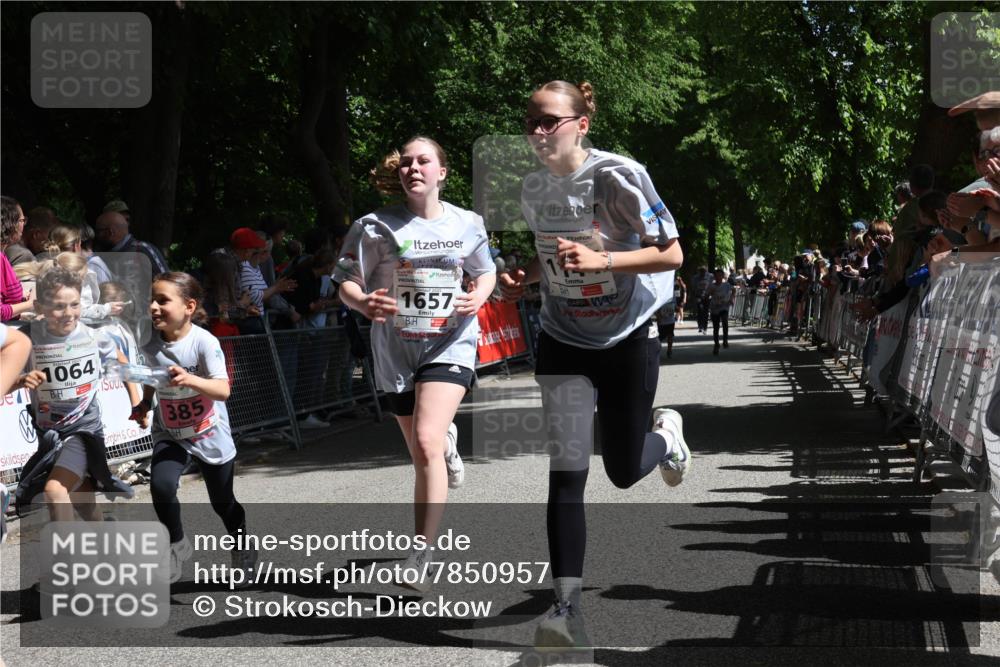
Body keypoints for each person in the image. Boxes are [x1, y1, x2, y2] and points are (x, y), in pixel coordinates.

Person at [497, 80, 689, 649]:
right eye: (531, 122)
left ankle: (667, 436)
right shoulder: (533, 189)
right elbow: (552, 256)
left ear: (581, 125)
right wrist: (525, 278)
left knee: (624, 471)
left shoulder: (618, 175)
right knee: (567, 474)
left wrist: (604, 259)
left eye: (549, 121)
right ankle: (565, 609)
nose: (537, 131)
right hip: (564, 338)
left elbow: (672, 252)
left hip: (627, 336)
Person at [334, 136, 496, 589]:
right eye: (406, 162)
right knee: (422, 449)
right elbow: (345, 281)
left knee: (424, 441)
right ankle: (446, 442)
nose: (413, 168)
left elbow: (485, 270)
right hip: (396, 349)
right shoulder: (373, 226)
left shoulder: (468, 223)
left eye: (423, 161)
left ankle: (421, 554)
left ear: (441, 172)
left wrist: (478, 297)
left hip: (450, 342)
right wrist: (363, 302)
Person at [131, 272, 256, 584]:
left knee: (222, 502)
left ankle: (243, 546)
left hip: (208, 431)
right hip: (171, 431)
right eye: (152, 301)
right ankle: (176, 544)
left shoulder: (204, 342)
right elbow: (152, 378)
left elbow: (222, 390)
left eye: (162, 301)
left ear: (188, 306)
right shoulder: (149, 343)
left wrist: (190, 379)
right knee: (161, 485)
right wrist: (145, 404)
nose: (154, 307)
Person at [12, 268, 140, 523]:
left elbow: (121, 360)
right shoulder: (26, 338)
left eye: (75, 304)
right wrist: (21, 380)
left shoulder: (93, 335)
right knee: (83, 501)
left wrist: (138, 402)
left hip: (83, 430)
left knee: (55, 491)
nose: (68, 313)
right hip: (49, 432)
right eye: (59, 307)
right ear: (39, 307)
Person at [1, 197, 33, 321]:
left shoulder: (3, 255)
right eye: (22, 220)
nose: (24, 224)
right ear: (9, 224)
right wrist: (30, 304)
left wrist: (22, 296)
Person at [706, 267, 734, 354]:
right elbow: (707, 294)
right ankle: (716, 344)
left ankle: (725, 340)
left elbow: (734, 290)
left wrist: (731, 298)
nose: (718, 277)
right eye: (717, 276)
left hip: (724, 307)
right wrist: (708, 295)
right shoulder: (712, 286)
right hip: (715, 308)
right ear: (715, 277)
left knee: (725, 322)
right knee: (716, 327)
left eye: (720, 275)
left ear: (722, 276)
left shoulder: (726, 285)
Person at [691, 266, 711, 333]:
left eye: (704, 271)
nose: (703, 273)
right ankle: (700, 326)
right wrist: (695, 296)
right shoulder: (695, 278)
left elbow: (712, 285)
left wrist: (710, 293)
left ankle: (705, 327)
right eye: (701, 271)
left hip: (707, 296)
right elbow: (693, 288)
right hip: (698, 296)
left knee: (706, 312)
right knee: (700, 310)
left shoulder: (710, 276)